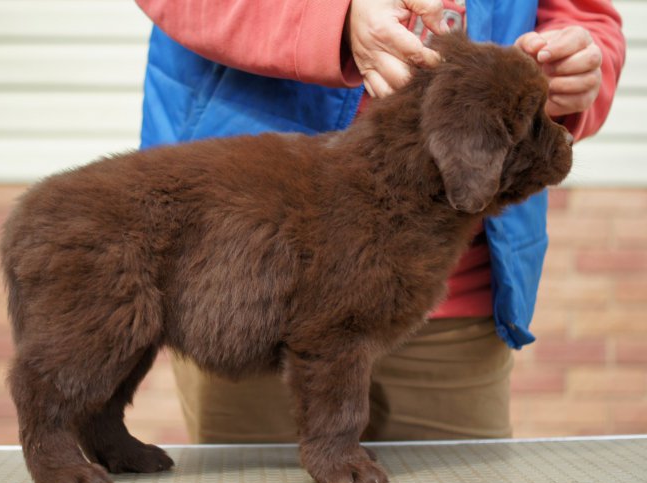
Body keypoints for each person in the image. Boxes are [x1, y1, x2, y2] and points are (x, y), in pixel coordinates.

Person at [134, 0, 626, 443]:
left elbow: (583, 15)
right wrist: (329, 20)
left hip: (459, 292)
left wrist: (578, 66)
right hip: (254, 274)